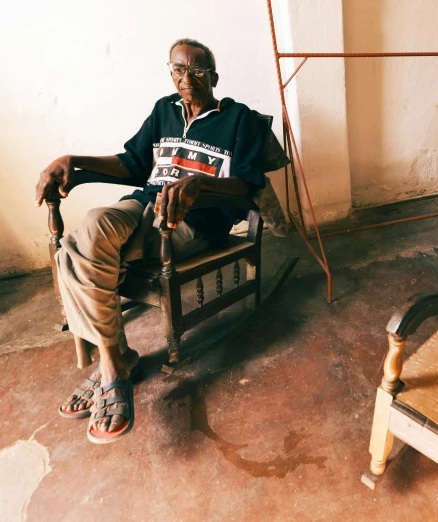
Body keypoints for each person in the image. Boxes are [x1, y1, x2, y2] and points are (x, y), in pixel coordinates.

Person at [34, 39, 272, 444]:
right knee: (87, 232)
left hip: (191, 220)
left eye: (197, 71)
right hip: (144, 204)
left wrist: (199, 184)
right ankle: (117, 361)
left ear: (214, 76)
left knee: (78, 257)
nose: (187, 79)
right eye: (179, 70)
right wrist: (74, 162)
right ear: (170, 74)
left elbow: (250, 187)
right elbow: (132, 163)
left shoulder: (240, 120)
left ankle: (112, 367)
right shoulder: (164, 110)